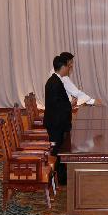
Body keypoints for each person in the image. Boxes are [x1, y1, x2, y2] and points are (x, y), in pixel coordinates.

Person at [44, 55, 73, 185]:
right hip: (55, 124)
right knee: (57, 151)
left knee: (60, 150)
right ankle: (55, 178)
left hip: (58, 123)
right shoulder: (54, 82)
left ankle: (61, 177)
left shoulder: (56, 80)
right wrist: (70, 105)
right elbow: (56, 105)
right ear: (63, 66)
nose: (70, 67)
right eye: (69, 65)